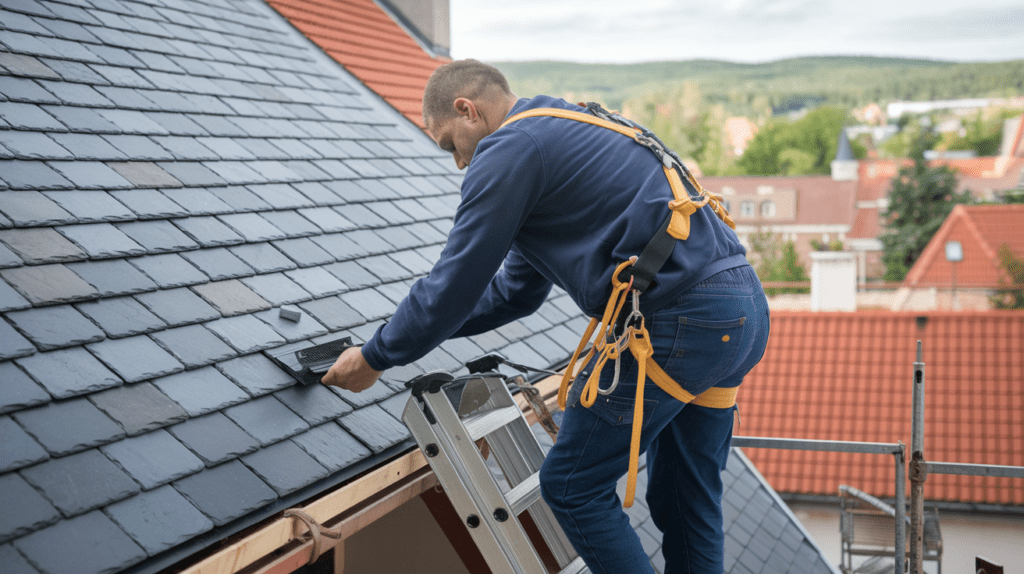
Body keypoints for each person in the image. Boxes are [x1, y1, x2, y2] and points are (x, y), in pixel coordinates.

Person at [323, 59, 770, 574]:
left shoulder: (509, 148)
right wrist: (404, 330)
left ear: (467, 110)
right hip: (738, 314)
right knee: (685, 497)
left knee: (573, 486)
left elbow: (455, 280)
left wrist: (377, 355)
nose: (458, 164)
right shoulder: (561, 129)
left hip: (681, 323)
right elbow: (514, 293)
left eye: (450, 144)